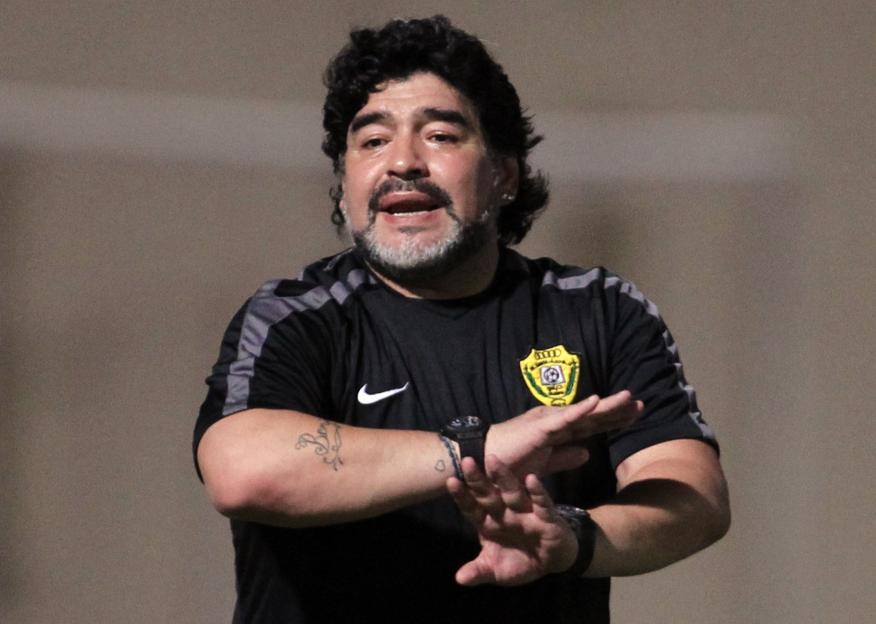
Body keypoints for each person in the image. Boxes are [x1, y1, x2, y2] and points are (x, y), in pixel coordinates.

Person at [193, 15, 729, 624]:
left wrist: (572, 541)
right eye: (372, 141)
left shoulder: (597, 310)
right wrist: (477, 450)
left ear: (504, 175)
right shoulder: (295, 318)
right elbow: (241, 473)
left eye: (441, 136)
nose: (403, 162)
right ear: (344, 188)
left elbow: (694, 496)